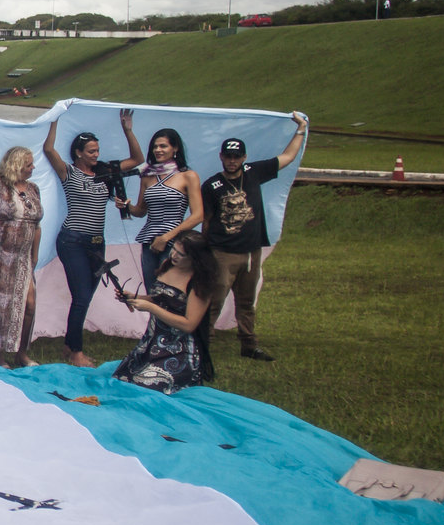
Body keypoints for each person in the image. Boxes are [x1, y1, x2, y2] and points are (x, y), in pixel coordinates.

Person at [199, 113, 310, 362]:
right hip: (222, 251)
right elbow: (206, 220)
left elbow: (287, 157)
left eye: (236, 156)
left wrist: (300, 129)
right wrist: (206, 250)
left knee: (246, 301)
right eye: (228, 156)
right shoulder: (212, 185)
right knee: (215, 299)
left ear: (244, 157)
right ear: (221, 157)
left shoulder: (253, 172)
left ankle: (249, 344)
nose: (232, 161)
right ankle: (203, 344)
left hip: (250, 251)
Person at [41, 110, 144, 367]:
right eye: (90, 151)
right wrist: (55, 118)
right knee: (82, 296)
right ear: (78, 153)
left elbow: (138, 159)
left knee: (84, 297)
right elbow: (49, 149)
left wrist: (127, 130)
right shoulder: (69, 172)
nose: (96, 155)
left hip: (97, 243)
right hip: (72, 241)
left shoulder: (105, 172)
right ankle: (76, 352)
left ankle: (69, 345)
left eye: (97, 150)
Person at [0, 117, 44, 367]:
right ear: (17, 164)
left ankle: (22, 352)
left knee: (29, 304)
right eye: (28, 164)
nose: (33, 167)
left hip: (22, 255)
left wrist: (34, 256)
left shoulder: (33, 189)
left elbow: (37, 225)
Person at [112, 236, 220, 393]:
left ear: (195, 258)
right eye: (173, 249)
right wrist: (135, 298)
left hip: (179, 350)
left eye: (181, 254)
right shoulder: (167, 265)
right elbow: (160, 298)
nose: (173, 255)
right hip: (151, 343)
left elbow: (189, 324)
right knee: (122, 381)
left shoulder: (200, 282)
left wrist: (151, 308)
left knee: (144, 389)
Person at [122, 126, 204, 291]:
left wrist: (166, 237)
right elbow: (141, 211)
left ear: (175, 148)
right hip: (149, 240)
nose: (158, 150)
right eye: (155, 147)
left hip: (174, 242)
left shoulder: (187, 176)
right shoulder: (148, 176)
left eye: (163, 146)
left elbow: (198, 215)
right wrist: (126, 206)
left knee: (168, 291)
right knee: (151, 290)